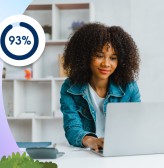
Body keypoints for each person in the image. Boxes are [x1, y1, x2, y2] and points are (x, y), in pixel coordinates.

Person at [60, 23, 141, 152]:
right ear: (85, 56)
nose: (106, 64)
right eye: (99, 56)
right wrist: (92, 141)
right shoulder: (70, 88)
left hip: (121, 150)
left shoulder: (129, 87)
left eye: (113, 58)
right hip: (87, 152)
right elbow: (72, 128)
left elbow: (137, 123)